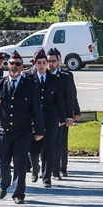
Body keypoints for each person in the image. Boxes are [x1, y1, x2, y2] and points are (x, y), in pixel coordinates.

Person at [0, 50, 44, 204]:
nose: (14, 67)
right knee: (3, 162)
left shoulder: (30, 85)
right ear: (7, 65)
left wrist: (39, 130)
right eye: (12, 63)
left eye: (18, 64)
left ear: (22, 67)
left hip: (22, 131)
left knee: (20, 163)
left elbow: (37, 109)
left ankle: (18, 193)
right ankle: (4, 184)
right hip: (3, 131)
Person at [28, 48, 66, 187]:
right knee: (33, 147)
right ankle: (35, 169)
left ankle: (46, 177)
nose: (42, 65)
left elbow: (59, 100)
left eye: (44, 62)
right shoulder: (29, 77)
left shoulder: (54, 79)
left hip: (50, 118)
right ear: (35, 64)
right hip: (34, 118)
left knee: (48, 147)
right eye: (39, 63)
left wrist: (62, 118)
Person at [49, 48, 80, 178]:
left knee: (61, 142)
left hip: (62, 114)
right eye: (49, 61)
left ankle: (62, 168)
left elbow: (71, 95)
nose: (51, 64)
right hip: (48, 114)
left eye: (54, 61)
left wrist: (73, 112)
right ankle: (48, 168)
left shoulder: (66, 76)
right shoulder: (44, 75)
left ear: (60, 61)